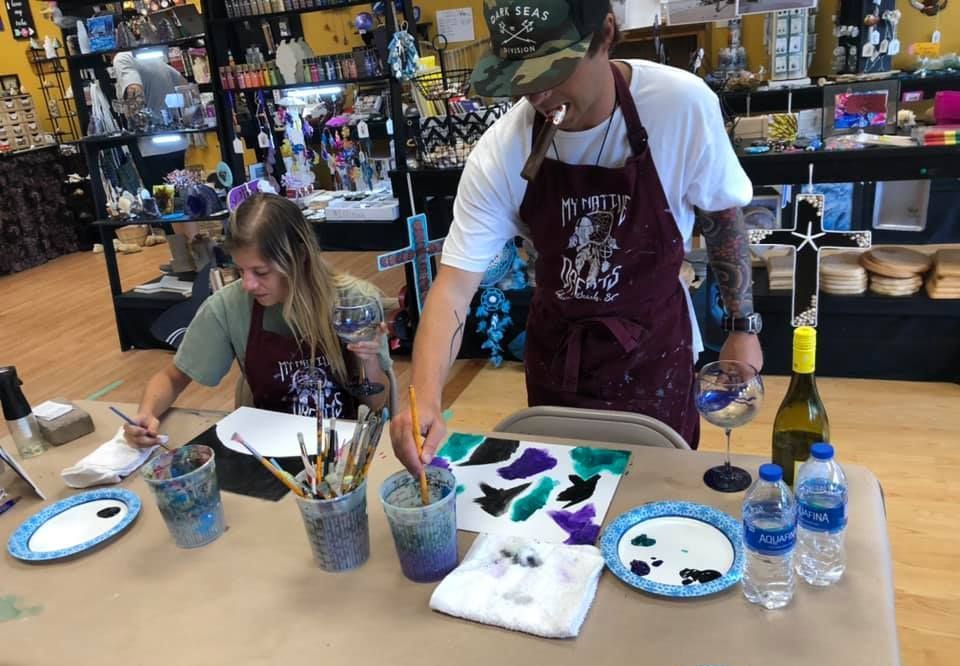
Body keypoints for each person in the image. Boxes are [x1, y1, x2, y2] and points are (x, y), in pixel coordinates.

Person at [391, 0, 762, 471]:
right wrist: (423, 397)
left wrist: (741, 328)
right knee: (563, 500)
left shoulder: (679, 106)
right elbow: (453, 291)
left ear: (606, 33)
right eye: (522, 78)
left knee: (654, 492)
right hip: (561, 359)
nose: (538, 94)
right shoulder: (502, 151)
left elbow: (722, 219)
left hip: (655, 355)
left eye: (554, 70)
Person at [124, 193, 392, 447]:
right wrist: (146, 413)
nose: (249, 284)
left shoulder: (355, 303)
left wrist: (368, 361)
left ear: (299, 255)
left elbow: (379, 403)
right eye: (240, 270)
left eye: (261, 271)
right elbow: (173, 377)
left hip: (347, 451)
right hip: (269, 451)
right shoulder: (230, 307)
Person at [113, 51, 191, 187]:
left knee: (162, 198)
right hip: (176, 140)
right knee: (179, 190)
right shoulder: (154, 60)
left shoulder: (122, 58)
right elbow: (184, 84)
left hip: (151, 145)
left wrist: (134, 121)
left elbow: (134, 89)